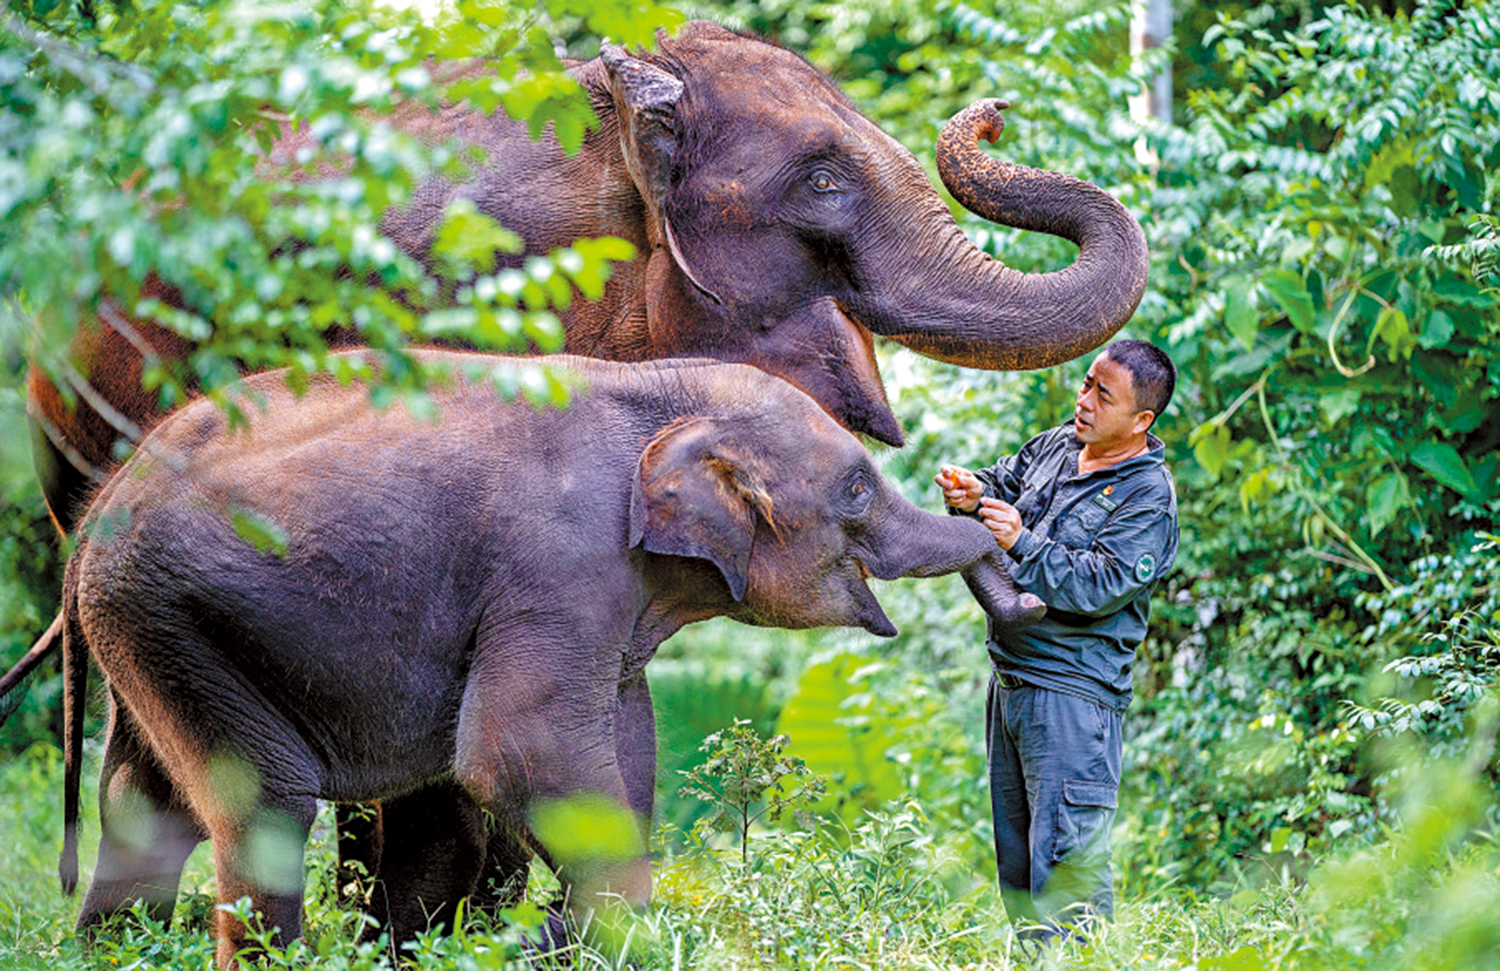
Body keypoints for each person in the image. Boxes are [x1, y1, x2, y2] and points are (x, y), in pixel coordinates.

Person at [934, 338, 1179, 944]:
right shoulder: (1059, 444)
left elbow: (1100, 584)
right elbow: (1005, 481)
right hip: (1012, 683)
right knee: (1018, 874)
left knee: (1067, 878)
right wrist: (974, 491)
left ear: (1141, 420)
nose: (1085, 400)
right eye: (1086, 382)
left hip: (1071, 697)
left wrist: (1023, 543)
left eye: (1104, 394)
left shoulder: (1149, 498)